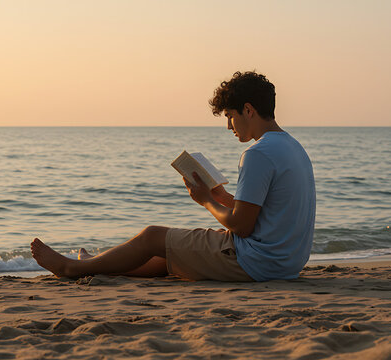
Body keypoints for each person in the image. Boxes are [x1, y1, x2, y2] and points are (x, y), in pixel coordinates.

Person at [31, 71, 316, 281]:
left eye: (230, 115)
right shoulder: (293, 147)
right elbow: (262, 215)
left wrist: (205, 201)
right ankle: (96, 265)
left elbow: (242, 226)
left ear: (248, 110)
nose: (229, 126)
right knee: (168, 251)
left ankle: (71, 268)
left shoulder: (257, 154)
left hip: (256, 264)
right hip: (286, 263)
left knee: (153, 235)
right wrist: (220, 196)